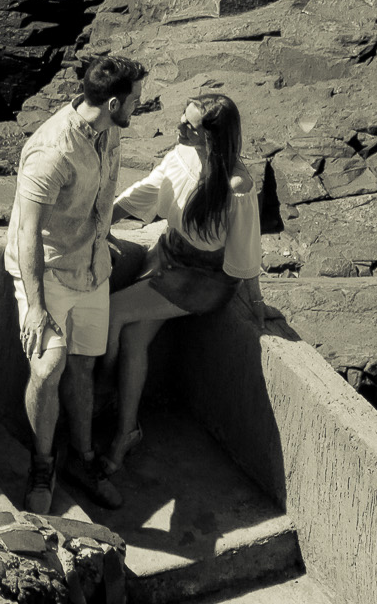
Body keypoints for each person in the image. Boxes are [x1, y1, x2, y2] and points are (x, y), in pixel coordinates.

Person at [6, 54, 148, 514]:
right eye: (135, 101)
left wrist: (101, 239)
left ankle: (82, 459)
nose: (138, 109)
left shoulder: (109, 133)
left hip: (92, 269)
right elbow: (28, 230)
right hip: (47, 273)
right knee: (48, 369)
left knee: (84, 366)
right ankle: (42, 466)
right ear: (112, 102)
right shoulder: (52, 150)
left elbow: (100, 198)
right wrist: (34, 304)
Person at [100, 93, 269, 479]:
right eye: (184, 116)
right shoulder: (181, 155)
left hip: (201, 281)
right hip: (167, 255)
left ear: (212, 137)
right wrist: (101, 222)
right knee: (133, 339)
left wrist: (255, 300)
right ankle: (126, 431)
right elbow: (148, 190)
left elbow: (246, 251)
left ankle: (100, 392)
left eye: (190, 125)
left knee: (114, 313)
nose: (179, 124)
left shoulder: (236, 185)